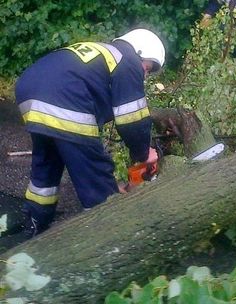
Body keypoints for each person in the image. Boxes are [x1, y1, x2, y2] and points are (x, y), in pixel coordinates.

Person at [15, 28, 165, 238]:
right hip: (64, 96)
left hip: (29, 89)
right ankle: (111, 237)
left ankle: (35, 224)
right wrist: (143, 153)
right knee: (94, 169)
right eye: (147, 68)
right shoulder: (128, 60)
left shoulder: (102, 53)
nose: (145, 74)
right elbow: (132, 119)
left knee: (48, 162)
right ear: (140, 52)